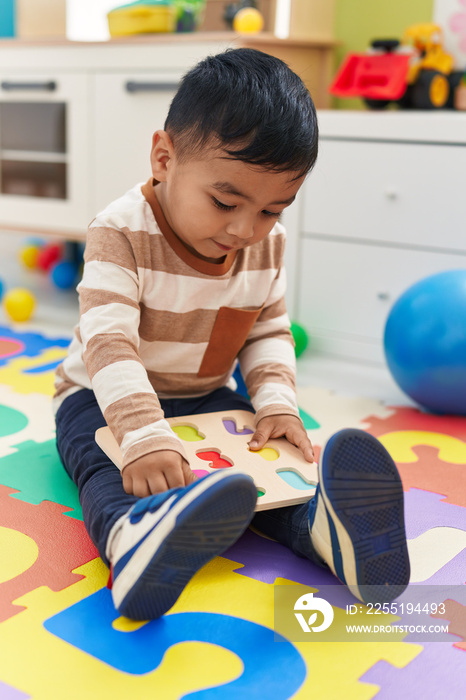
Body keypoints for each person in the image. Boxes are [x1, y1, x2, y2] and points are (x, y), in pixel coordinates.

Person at [54, 48, 410, 621]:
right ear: (164, 157)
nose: (246, 229)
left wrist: (277, 404)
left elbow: (267, 331)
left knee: (261, 471)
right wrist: (143, 434)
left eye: (273, 209)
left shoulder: (265, 244)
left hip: (204, 393)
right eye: (225, 201)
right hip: (101, 393)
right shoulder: (118, 232)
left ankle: (324, 532)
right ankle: (132, 537)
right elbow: (109, 343)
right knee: (106, 461)